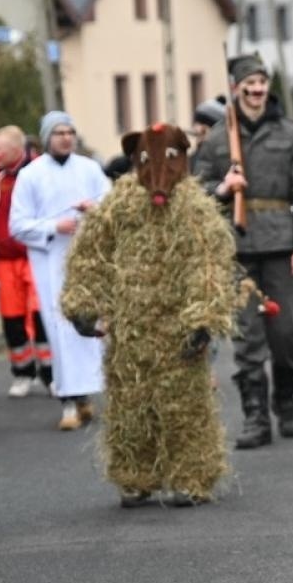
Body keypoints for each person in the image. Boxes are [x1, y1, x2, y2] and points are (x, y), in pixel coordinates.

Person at [60, 122, 237, 507]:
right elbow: (91, 252)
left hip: (177, 330)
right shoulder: (120, 203)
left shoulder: (193, 208)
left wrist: (203, 317)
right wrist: (82, 302)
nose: (157, 172)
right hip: (129, 329)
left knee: (183, 406)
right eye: (145, 160)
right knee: (130, 406)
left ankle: (191, 475)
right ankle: (135, 476)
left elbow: (208, 262)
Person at [191, 54, 293, 449]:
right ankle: (255, 417)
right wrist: (222, 189)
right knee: (247, 337)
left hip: (281, 246)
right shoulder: (215, 140)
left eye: (262, 81)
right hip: (237, 250)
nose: (257, 88)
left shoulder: (291, 135)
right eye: (250, 82)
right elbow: (196, 194)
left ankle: (285, 400)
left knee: (286, 334)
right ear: (236, 88)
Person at [9, 110, 110, 431]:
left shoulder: (91, 169)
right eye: (58, 133)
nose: (66, 137)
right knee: (60, 329)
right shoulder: (31, 175)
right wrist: (55, 225)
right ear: (46, 138)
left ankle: (85, 396)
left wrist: (94, 212)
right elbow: (18, 225)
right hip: (52, 263)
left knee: (89, 329)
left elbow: (113, 208)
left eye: (70, 132)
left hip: (88, 262)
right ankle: (67, 399)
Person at [0, 126, 51, 397]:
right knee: (12, 319)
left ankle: (51, 373)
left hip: (35, 256)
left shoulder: (39, 170)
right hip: (5, 260)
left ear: (17, 151)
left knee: (42, 317)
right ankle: (23, 373)